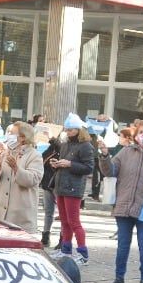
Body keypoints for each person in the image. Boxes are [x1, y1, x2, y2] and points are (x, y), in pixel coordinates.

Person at [107, 119, 143, 283]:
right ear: (136, 135)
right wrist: (103, 155)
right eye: (141, 132)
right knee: (123, 244)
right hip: (124, 205)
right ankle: (119, 279)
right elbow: (110, 170)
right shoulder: (125, 152)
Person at [50, 113, 96, 265]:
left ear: (78, 130)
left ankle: (83, 253)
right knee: (64, 220)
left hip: (73, 188)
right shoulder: (66, 144)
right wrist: (57, 164)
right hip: (61, 185)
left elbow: (89, 168)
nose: (67, 132)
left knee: (74, 221)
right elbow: (67, 163)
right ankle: (66, 249)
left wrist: (69, 164)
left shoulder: (86, 146)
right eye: (67, 130)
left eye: (70, 130)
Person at [0, 121, 43, 233]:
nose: (8, 135)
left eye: (12, 133)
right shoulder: (5, 153)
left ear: (23, 137)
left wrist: (16, 169)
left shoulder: (35, 155)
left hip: (20, 217)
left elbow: (33, 179)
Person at [39, 135, 60, 247]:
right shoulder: (50, 150)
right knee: (48, 211)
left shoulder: (65, 148)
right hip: (48, 183)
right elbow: (42, 159)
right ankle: (45, 235)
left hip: (59, 185)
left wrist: (54, 140)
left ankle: (63, 239)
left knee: (62, 214)